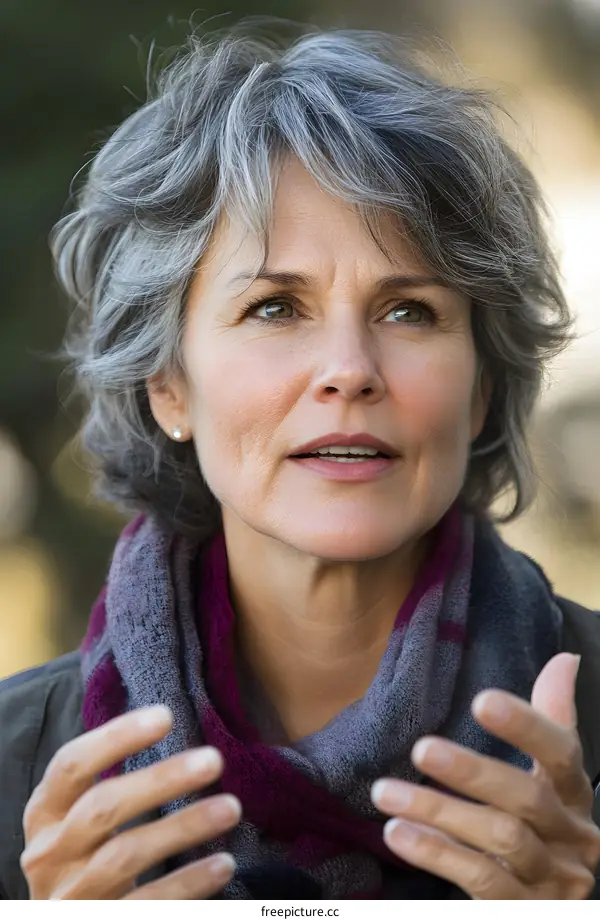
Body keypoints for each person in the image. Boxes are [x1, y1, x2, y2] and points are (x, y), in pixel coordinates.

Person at [1, 19, 600, 901]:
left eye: (410, 311)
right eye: (277, 309)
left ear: (479, 385)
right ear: (168, 385)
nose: (350, 371)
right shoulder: (18, 768)